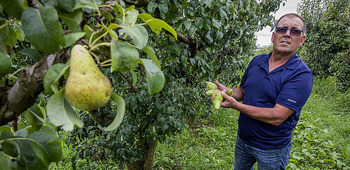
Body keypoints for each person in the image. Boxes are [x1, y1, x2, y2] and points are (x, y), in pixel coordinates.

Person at [214, 13, 313, 169]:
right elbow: (243, 91)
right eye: (282, 29)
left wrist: (236, 106)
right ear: (273, 36)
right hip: (243, 139)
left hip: (272, 148)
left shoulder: (301, 74)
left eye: (294, 31)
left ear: (301, 40)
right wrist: (229, 92)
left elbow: (277, 116)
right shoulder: (257, 61)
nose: (287, 34)